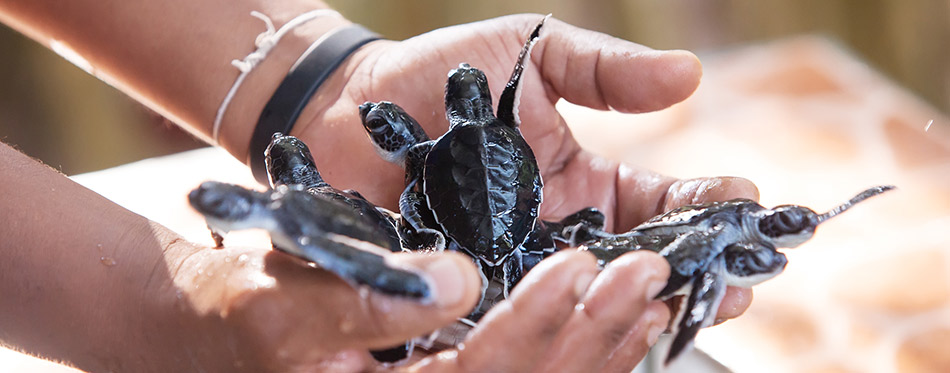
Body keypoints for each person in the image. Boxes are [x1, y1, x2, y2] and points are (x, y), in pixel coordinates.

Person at [0, 0, 759, 371]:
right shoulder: (473, 138)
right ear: (483, 105)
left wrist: (321, 77)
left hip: (456, 221)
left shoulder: (426, 146)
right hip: (491, 224)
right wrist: (166, 301)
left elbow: (400, 143)